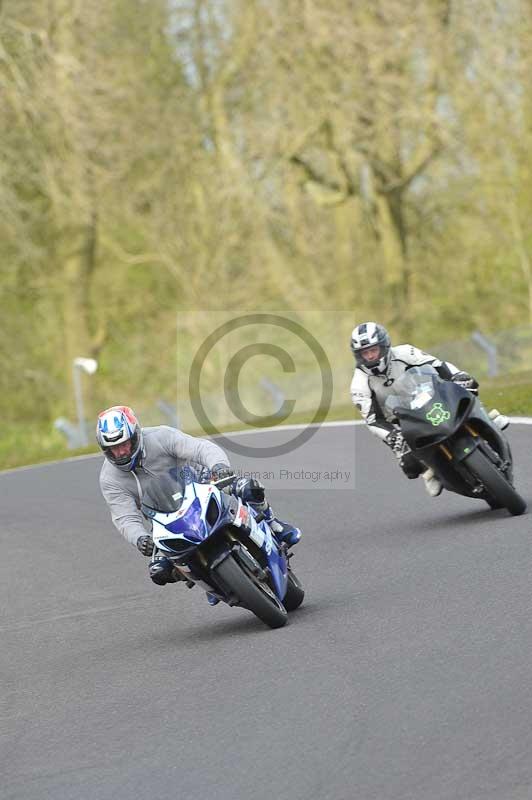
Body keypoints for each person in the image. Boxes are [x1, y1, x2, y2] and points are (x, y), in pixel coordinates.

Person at [96, 406, 300, 600]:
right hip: (164, 516)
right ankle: (211, 579)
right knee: (159, 571)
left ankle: (275, 525)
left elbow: (201, 448)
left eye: (124, 444)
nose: (121, 452)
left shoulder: (160, 436)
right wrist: (139, 538)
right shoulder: (110, 478)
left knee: (248, 487)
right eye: (114, 448)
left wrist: (218, 466)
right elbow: (124, 516)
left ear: (136, 436)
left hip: (201, 483)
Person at [349, 322, 509, 497]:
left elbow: (438, 365)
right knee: (410, 466)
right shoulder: (359, 384)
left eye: (374, 350)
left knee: (466, 388)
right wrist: (393, 436)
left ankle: (485, 417)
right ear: (358, 356)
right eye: (365, 353)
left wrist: (457, 376)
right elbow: (372, 420)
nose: (371, 356)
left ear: (384, 346)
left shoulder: (405, 352)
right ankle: (433, 471)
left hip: (429, 396)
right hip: (402, 421)